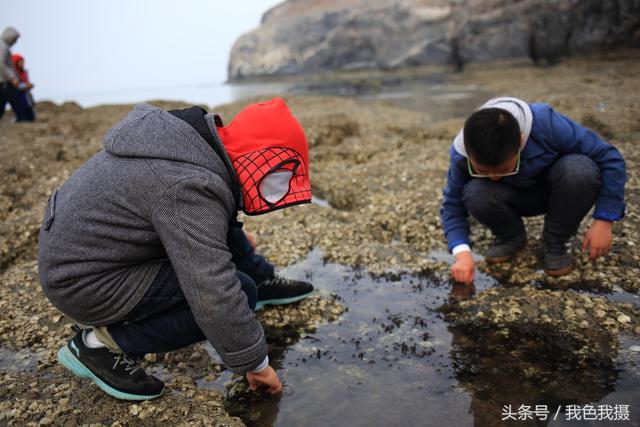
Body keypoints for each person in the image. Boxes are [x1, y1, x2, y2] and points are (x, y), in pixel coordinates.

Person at [38, 98, 315, 400]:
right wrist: (256, 363)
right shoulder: (187, 186)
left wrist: (226, 232)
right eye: (276, 175)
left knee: (222, 216)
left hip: (81, 258)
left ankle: (262, 279)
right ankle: (98, 345)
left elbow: (211, 206)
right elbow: (212, 291)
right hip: (84, 283)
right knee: (240, 292)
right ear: (257, 158)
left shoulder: (185, 146)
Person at [440, 97, 626, 285]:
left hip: (557, 192)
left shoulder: (546, 124)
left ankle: (555, 241)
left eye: (504, 169)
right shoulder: (461, 153)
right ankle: (511, 237)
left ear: (521, 141)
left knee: (580, 169)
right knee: (474, 192)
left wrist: (604, 220)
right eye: (482, 170)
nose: (494, 177)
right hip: (507, 196)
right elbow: (452, 206)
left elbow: (609, 157)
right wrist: (462, 253)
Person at [0, 26, 30, 122]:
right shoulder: (2, 46)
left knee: (2, 106)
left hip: (5, 83)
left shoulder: (4, 47)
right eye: (14, 39)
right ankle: (22, 122)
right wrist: (12, 78)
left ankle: (22, 120)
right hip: (6, 83)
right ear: (9, 36)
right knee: (18, 107)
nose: (15, 41)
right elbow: (1, 64)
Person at [11, 53, 36, 121]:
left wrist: (28, 86)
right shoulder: (12, 74)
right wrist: (26, 86)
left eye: (22, 62)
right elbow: (15, 85)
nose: (22, 64)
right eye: (20, 62)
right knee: (21, 115)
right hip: (18, 96)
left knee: (31, 116)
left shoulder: (24, 72)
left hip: (26, 96)